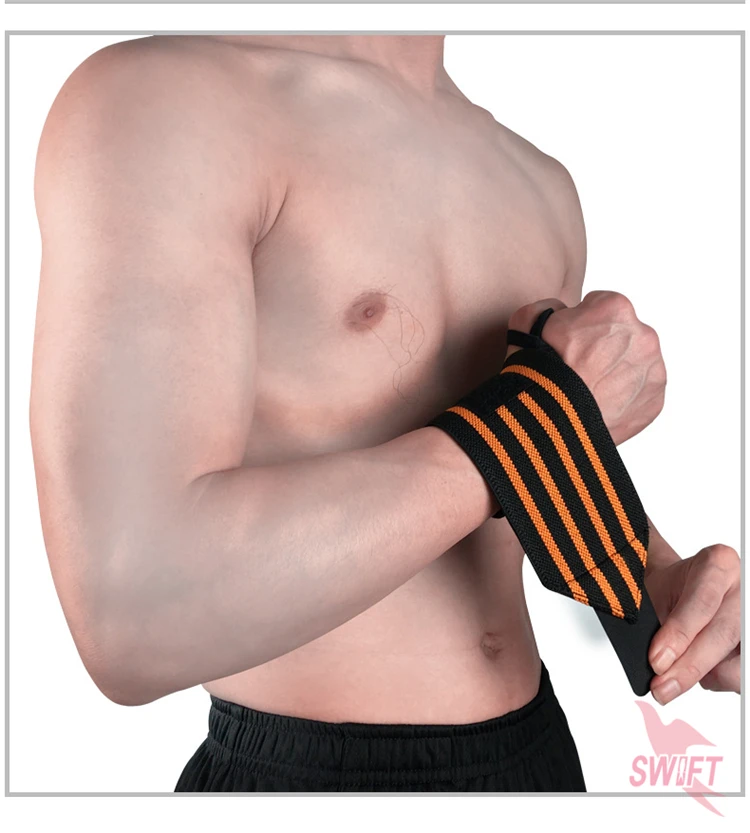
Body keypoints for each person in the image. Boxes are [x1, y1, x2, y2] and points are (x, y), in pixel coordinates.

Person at [30, 34, 740, 793]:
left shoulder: (538, 180)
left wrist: (653, 576)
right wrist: (532, 426)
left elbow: (525, 473)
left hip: (538, 757)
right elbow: (130, 618)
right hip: (311, 779)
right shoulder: (163, 101)